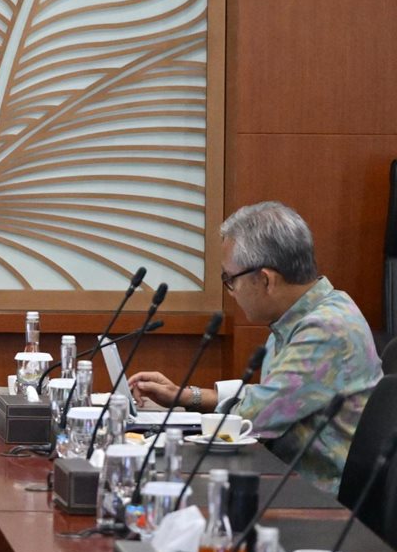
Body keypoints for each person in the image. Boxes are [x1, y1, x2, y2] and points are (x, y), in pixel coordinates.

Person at [129, 201, 380, 496]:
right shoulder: (298, 315)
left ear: (265, 279)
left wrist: (172, 429)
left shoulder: (326, 329)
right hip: (284, 478)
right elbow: (274, 395)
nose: (231, 292)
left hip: (317, 498)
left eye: (229, 279)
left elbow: (254, 417)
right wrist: (186, 396)